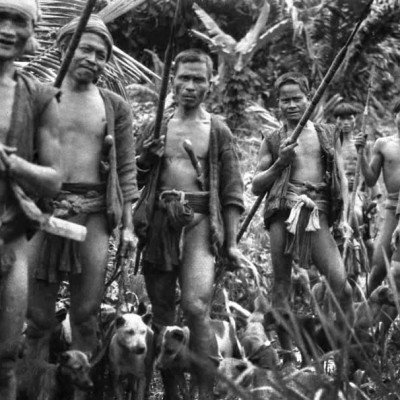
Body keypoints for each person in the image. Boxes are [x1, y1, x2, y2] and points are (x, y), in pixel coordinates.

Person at [25, 15, 139, 398]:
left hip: (93, 212)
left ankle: (80, 390)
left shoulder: (113, 106)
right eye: (86, 49)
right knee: (38, 317)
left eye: (102, 54)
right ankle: (35, 387)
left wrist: (128, 227)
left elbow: (125, 171)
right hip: (42, 214)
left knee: (87, 314)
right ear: (63, 48)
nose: (94, 58)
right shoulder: (37, 94)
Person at [134, 49, 244, 400]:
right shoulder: (157, 126)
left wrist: (231, 242)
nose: (190, 85)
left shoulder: (218, 130)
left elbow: (231, 190)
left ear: (210, 84)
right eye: (184, 77)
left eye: (199, 79)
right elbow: (132, 177)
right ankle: (172, 389)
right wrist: (145, 159)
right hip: (159, 223)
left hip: (199, 222)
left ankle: (204, 388)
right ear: (173, 79)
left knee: (197, 306)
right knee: (163, 308)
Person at [252, 72, 353, 367]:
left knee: (341, 284)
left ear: (309, 97)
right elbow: (257, 184)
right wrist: (279, 164)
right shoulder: (273, 140)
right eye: (285, 100)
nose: (292, 105)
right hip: (282, 211)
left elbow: (342, 179)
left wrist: (344, 218)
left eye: (297, 98)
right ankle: (287, 357)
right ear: (277, 104)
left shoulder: (325, 134)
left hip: (317, 212)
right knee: (282, 284)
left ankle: (342, 350)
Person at [0, 0, 62, 398]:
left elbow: (54, 179)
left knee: (5, 359)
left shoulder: (38, 96)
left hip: (9, 238)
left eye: (18, 20)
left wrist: (14, 167)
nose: (7, 29)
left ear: (31, 32)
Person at [357, 99, 400, 295]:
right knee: (378, 267)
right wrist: (361, 155)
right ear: (395, 116)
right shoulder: (383, 144)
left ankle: (385, 324)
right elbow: (371, 180)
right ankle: (362, 315)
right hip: (392, 208)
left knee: (397, 272)